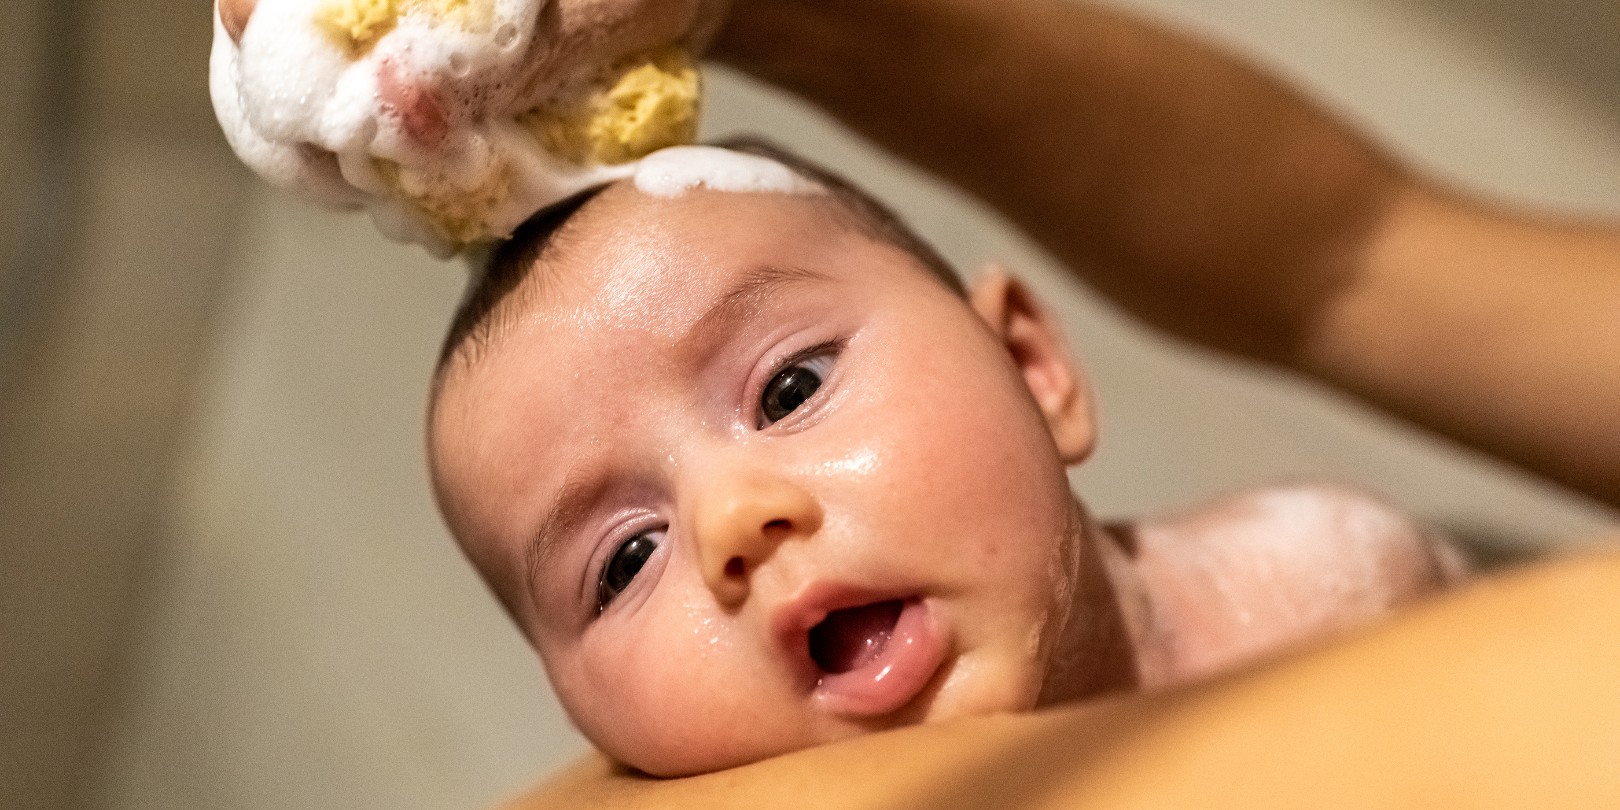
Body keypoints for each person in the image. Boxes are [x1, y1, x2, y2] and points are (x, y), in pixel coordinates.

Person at [425, 139, 1460, 777]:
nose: (731, 519)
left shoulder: (1331, 584)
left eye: (790, 389)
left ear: (1031, 365)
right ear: (593, 727)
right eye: (623, 560)